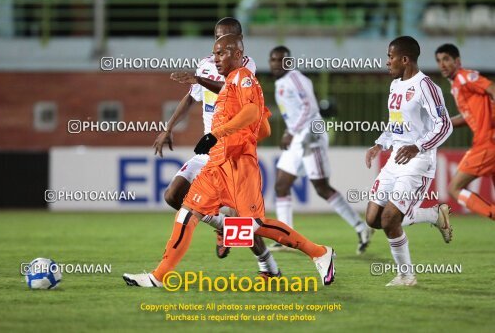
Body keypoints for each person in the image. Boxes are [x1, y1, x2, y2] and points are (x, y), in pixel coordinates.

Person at [123, 34, 336, 287]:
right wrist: (236, 135)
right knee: (187, 213)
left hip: (238, 165)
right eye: (214, 53)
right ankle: (157, 277)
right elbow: (264, 128)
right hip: (216, 163)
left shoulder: (244, 77)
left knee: (253, 227)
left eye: (222, 53)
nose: (216, 59)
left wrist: (221, 134)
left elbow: (253, 112)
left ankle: (320, 253)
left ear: (237, 54)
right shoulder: (228, 86)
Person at [152, 17, 281, 278]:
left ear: (239, 42)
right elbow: (190, 98)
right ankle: (221, 224)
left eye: (227, 37)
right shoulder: (206, 65)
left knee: (244, 222)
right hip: (208, 150)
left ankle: (269, 265)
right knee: (173, 195)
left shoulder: (246, 68)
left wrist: (199, 79)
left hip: (232, 151)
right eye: (216, 37)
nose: (220, 43)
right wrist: (168, 128)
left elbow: (229, 90)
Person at [365, 36, 453, 286]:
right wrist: (379, 144)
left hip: (418, 161)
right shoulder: (395, 85)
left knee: (390, 219)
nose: (386, 62)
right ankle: (434, 215)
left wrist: (419, 146)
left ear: (404, 59)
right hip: (395, 159)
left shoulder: (426, 86)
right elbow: (395, 124)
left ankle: (406, 276)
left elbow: (444, 125)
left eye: (390, 57)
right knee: (373, 218)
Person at [269, 45, 373, 255]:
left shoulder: (296, 79)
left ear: (289, 62)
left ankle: (361, 227)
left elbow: (310, 107)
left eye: (280, 60)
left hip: (310, 136)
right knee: (281, 185)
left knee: (321, 187)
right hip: (297, 136)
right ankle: (285, 236)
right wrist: (291, 132)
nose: (275, 64)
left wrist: (292, 131)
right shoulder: (280, 82)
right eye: (272, 60)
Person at [435, 43, 495, 220]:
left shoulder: (465, 77)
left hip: (486, 144)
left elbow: (491, 87)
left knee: (454, 188)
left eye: (446, 59)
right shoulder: (456, 86)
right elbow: (468, 117)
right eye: (439, 61)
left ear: (457, 61)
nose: (442, 64)